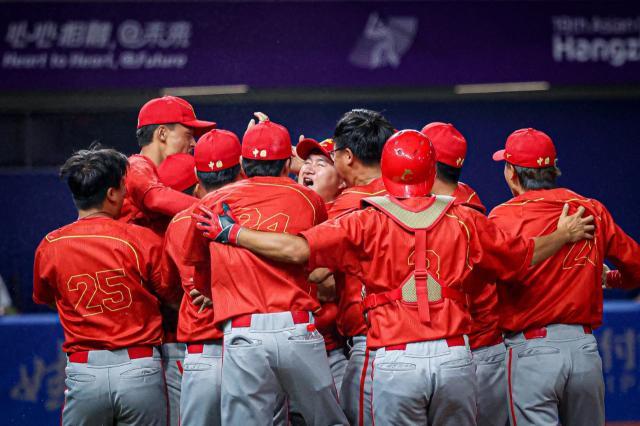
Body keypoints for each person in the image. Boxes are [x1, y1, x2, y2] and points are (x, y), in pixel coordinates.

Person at [195, 129, 594, 425]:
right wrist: (563, 234)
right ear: (432, 170)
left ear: (385, 170)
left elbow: (297, 250)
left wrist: (233, 233)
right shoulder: (465, 218)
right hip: (455, 358)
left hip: (395, 360)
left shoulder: (364, 220)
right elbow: (522, 258)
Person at [186, 118, 347, 426]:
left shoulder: (211, 203)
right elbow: (320, 262)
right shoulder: (310, 200)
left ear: (243, 164)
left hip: (243, 332)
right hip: (298, 327)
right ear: (288, 164)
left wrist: (212, 291)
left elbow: (200, 271)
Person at [489, 128, 640, 426]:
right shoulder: (592, 210)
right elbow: (636, 268)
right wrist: (611, 280)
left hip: (530, 351)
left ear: (512, 173)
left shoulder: (501, 218)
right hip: (584, 349)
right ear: (553, 169)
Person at [33, 144, 176, 426]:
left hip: (84, 371)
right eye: (123, 187)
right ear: (112, 193)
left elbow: (51, 300)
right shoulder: (141, 238)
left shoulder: (49, 245)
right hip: (139, 367)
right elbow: (171, 297)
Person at [422, 122, 507, 426]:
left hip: (473, 348)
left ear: (429, 163)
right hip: (477, 349)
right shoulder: (466, 196)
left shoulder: (459, 216)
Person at [161, 129, 242, 426]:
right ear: (241, 171)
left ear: (197, 178)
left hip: (202, 353)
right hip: (250, 348)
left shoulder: (178, 223)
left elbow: (169, 290)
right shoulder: (255, 215)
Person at [323, 109, 393, 426]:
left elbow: (316, 271)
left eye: (334, 154)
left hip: (372, 342)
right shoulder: (412, 195)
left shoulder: (350, 204)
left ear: (348, 156)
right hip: (423, 338)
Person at [296, 137, 348, 395]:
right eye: (306, 162)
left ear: (342, 181)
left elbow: (326, 285)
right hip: (286, 351)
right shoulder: (286, 211)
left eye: (321, 164)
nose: (309, 167)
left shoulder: (345, 217)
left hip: (333, 352)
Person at [119, 96, 215, 235]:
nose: (194, 143)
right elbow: (156, 199)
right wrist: (214, 210)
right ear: (162, 133)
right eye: (188, 135)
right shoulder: (136, 166)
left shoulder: (162, 173)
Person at [156, 151, 199, 426]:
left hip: (182, 347)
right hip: (234, 341)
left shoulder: (152, 229)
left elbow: (168, 292)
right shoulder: (227, 217)